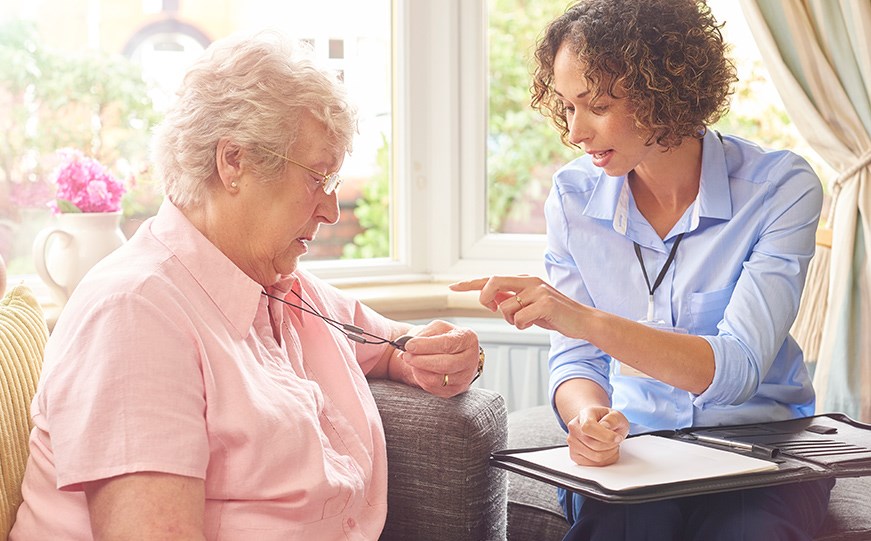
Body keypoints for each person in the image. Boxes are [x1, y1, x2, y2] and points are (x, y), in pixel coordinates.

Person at [11, 31, 483, 540]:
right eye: (317, 177)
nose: (330, 209)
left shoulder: (280, 285)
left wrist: (434, 354)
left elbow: (390, 345)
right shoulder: (135, 313)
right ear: (233, 161)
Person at [451, 0, 833, 539]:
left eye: (597, 105)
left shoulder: (780, 189)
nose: (575, 131)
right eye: (565, 107)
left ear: (664, 91)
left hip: (762, 449)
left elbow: (737, 368)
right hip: (639, 451)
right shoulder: (572, 197)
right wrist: (587, 417)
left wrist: (582, 318)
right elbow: (577, 360)